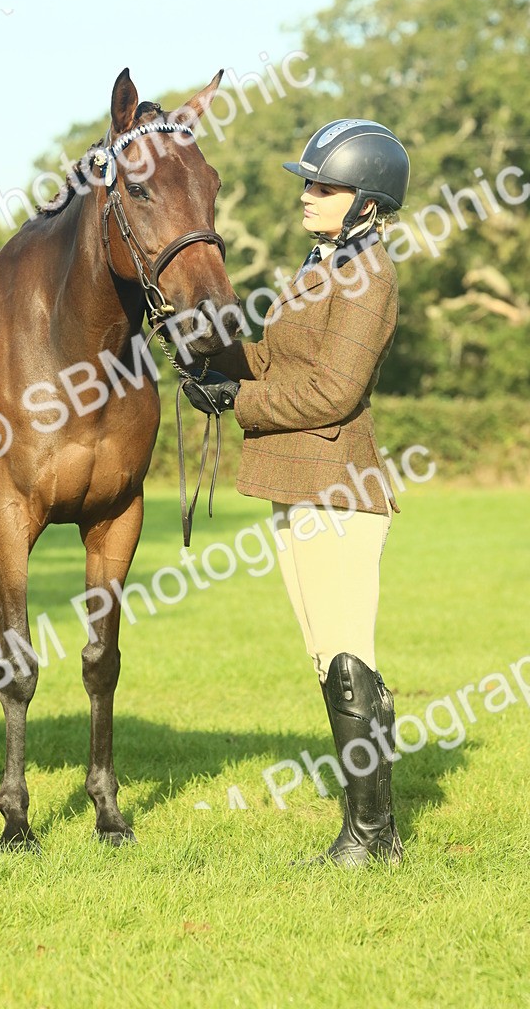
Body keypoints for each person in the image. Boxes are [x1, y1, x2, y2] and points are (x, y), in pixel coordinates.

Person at [183, 119, 409, 867]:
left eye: (325, 186)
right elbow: (276, 361)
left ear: (367, 203)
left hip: (338, 487)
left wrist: (234, 404)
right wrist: (214, 353)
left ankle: (373, 837)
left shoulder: (369, 276)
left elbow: (333, 393)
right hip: (302, 484)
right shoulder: (321, 265)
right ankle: (370, 833)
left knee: (347, 659)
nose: (307, 196)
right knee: (329, 659)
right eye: (309, 184)